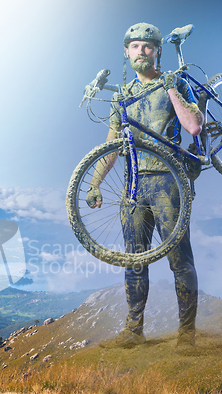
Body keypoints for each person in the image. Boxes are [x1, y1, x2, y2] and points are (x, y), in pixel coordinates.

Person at [86, 22, 203, 348]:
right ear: (127, 52)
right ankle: (134, 331)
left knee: (180, 260)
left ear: (157, 51)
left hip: (169, 182)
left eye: (147, 46)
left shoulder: (175, 82)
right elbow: (110, 146)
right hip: (133, 187)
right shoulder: (122, 99)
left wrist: (170, 89)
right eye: (135, 46)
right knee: (134, 260)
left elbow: (193, 125)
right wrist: (94, 183)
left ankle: (186, 337)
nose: (141, 51)